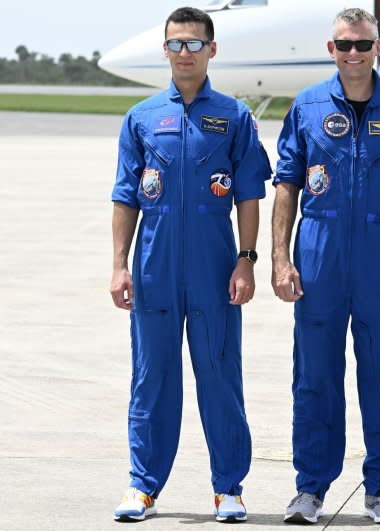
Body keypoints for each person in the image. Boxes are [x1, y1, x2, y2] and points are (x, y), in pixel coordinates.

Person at [271, 7, 380, 526]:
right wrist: (280, 258)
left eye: (362, 45)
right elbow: (286, 187)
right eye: (344, 45)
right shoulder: (307, 106)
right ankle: (310, 490)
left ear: (378, 49)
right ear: (332, 49)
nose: (353, 54)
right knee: (315, 376)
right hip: (319, 256)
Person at [109, 6, 271, 522]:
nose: (185, 53)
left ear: (212, 50)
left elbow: (248, 195)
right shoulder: (140, 118)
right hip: (154, 264)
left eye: (194, 44)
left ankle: (229, 488)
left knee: (220, 375)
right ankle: (143, 486)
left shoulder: (235, 116)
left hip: (213, 264)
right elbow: (125, 197)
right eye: (176, 44)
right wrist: (119, 264)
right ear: (165, 50)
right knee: (151, 377)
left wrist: (245, 261)